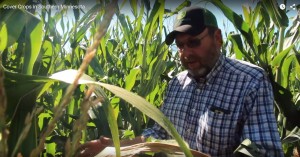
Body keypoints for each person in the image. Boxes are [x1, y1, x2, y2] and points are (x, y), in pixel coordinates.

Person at [77, 6, 284, 157]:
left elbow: (263, 151)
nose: (186, 54)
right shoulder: (177, 84)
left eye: (193, 42)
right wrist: (113, 146)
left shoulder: (250, 81)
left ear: (218, 38)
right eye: (180, 46)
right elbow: (159, 135)